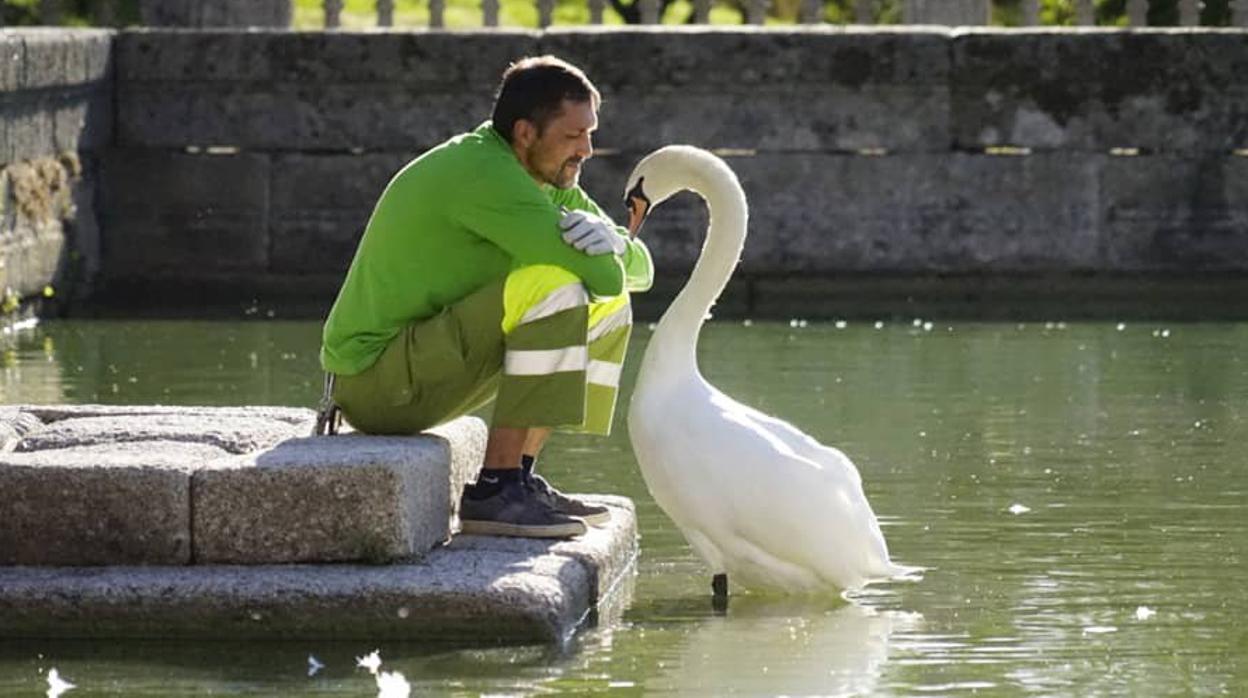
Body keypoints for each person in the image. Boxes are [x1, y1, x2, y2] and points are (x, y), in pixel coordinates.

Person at [319, 56, 653, 539]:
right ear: (525, 133)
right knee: (555, 284)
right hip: (374, 383)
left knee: (607, 307)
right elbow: (601, 274)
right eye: (573, 136)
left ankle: (518, 477)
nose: (588, 150)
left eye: (590, 133)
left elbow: (636, 273)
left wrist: (618, 241)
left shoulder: (547, 177)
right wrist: (611, 251)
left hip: (423, 369)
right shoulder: (483, 174)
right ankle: (494, 491)